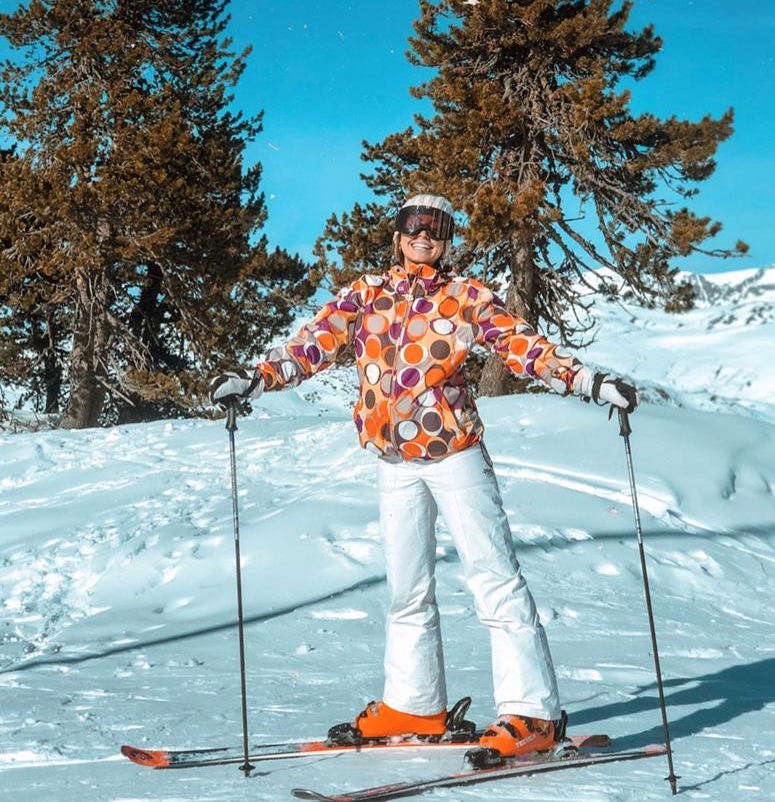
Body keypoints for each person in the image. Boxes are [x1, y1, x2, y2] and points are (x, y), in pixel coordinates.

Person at [210, 194, 637, 760]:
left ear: (446, 238)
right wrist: (254, 380)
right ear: (397, 234)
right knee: (407, 591)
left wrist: (587, 381)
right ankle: (413, 704)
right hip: (394, 461)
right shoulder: (366, 296)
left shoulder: (467, 298)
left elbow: (524, 347)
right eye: (413, 227)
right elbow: (311, 344)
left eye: (434, 230)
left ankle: (531, 712)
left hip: (454, 454)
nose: (422, 237)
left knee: (495, 579)